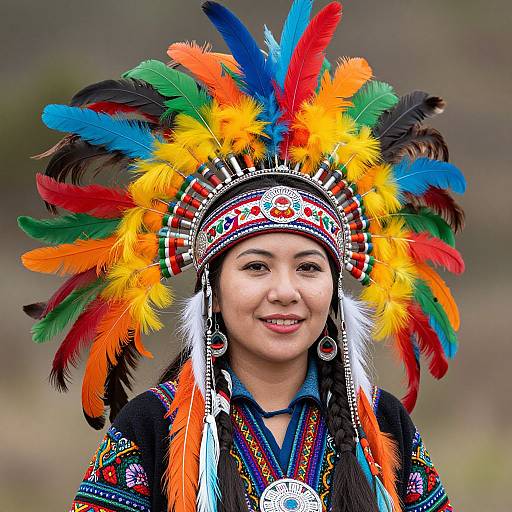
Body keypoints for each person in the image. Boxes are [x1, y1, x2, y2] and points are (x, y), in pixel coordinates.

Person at [19, 1, 466, 511]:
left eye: (309, 267)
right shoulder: (151, 427)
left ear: (334, 288)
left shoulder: (383, 425)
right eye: (256, 266)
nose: (285, 291)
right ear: (212, 288)